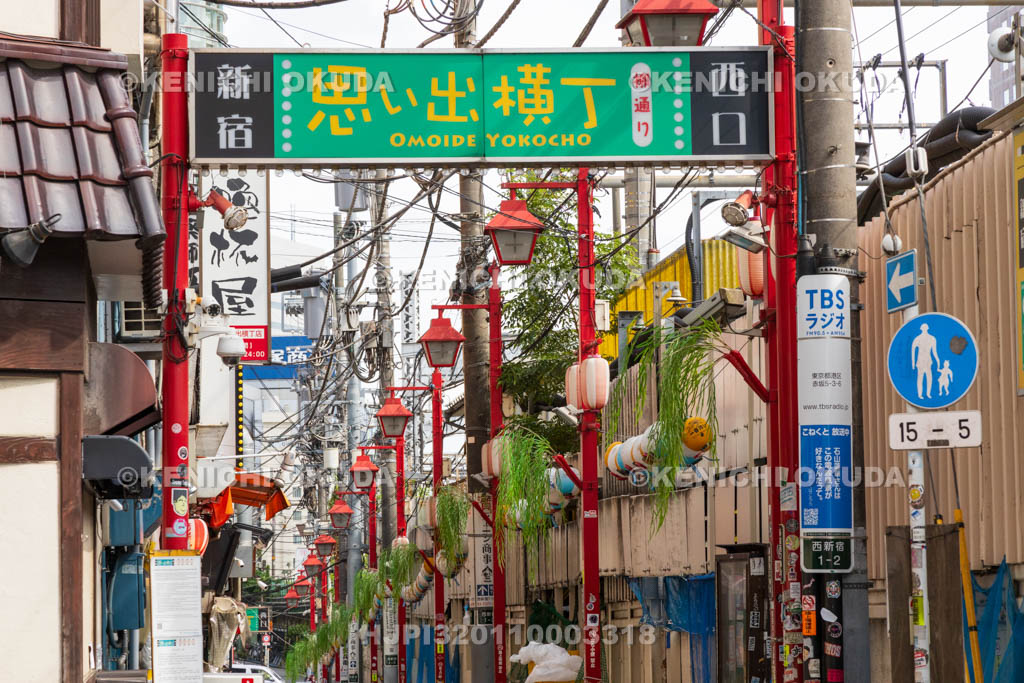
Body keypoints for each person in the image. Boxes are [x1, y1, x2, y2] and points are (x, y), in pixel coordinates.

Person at [910, 323, 941, 400]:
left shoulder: (932, 338)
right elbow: (913, 350)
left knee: (928, 378)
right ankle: (920, 394)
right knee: (920, 378)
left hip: (928, 361)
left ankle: (928, 394)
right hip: (920, 361)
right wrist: (913, 363)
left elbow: (934, 352)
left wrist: (938, 360)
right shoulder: (918, 338)